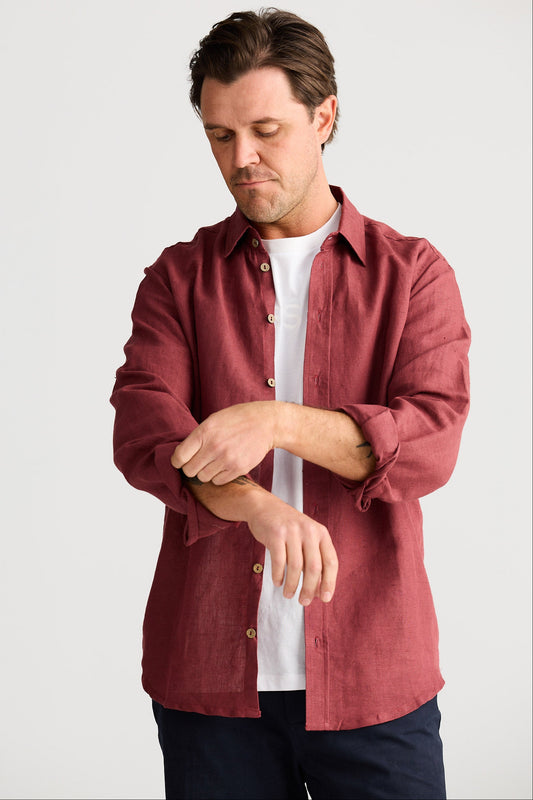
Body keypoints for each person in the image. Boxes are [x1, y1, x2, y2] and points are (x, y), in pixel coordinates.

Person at [110, 8, 470, 799]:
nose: (242, 159)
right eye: (219, 136)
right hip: (210, 681)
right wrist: (257, 507)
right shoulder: (176, 280)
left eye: (265, 130)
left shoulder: (412, 275)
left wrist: (272, 421)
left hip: (375, 680)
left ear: (323, 116)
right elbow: (147, 434)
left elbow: (429, 442)